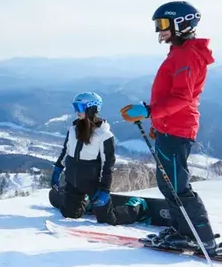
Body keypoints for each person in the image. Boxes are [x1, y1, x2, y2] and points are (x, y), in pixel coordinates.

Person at [120, 0, 222, 257]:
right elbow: (171, 95)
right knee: (167, 183)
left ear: (181, 23)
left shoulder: (187, 55)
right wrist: (158, 124)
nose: (159, 30)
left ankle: (202, 239)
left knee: (178, 186)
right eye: (158, 25)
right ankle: (183, 232)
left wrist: (149, 112)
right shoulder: (180, 52)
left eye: (163, 24)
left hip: (178, 128)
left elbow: (182, 97)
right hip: (171, 126)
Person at [48, 92, 173, 227]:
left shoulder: (104, 135)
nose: (76, 111)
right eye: (75, 107)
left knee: (108, 220)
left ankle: (137, 208)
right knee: (69, 214)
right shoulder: (72, 129)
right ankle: (86, 203)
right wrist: (58, 169)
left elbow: (108, 165)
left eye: (79, 107)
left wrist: (104, 190)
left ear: (91, 108)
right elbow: (65, 152)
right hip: (73, 182)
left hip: (93, 184)